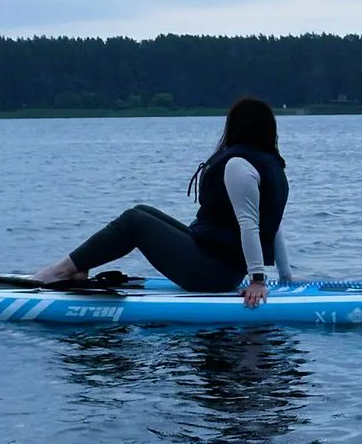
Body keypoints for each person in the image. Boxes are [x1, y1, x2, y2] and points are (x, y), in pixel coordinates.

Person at [33, 96, 293, 308]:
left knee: (134, 222)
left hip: (213, 273)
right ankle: (79, 268)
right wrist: (286, 279)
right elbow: (274, 226)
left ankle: (61, 271)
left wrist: (257, 280)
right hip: (218, 263)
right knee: (141, 211)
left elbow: (251, 225)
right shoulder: (271, 166)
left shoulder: (238, 165)